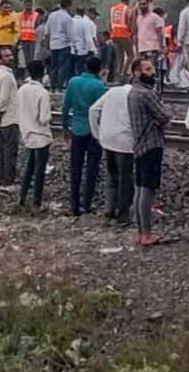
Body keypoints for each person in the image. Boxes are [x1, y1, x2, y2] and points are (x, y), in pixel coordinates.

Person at [129, 57, 170, 246]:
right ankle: (147, 234)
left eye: (151, 68)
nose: (152, 72)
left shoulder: (132, 92)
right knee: (148, 190)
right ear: (137, 72)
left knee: (139, 188)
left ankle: (140, 232)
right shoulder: (146, 94)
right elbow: (163, 115)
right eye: (147, 69)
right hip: (151, 145)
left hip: (139, 145)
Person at [62, 55, 107, 216]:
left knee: (76, 167)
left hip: (77, 128)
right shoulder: (99, 86)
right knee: (92, 168)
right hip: (94, 131)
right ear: (99, 69)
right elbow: (102, 111)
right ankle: (87, 203)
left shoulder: (73, 82)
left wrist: (65, 126)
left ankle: (74, 203)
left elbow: (65, 106)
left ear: (85, 67)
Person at [90, 68, 135, 226]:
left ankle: (109, 210)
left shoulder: (112, 92)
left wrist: (97, 133)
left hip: (107, 139)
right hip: (124, 142)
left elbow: (93, 110)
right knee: (125, 177)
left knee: (112, 176)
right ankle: (123, 215)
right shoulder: (134, 95)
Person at [18, 60, 53, 210]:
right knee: (39, 170)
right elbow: (44, 118)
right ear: (43, 72)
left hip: (27, 133)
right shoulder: (43, 93)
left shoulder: (22, 90)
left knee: (29, 168)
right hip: (41, 136)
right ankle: (36, 201)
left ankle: (23, 196)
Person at [0, 47, 20, 187]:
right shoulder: (7, 76)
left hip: (2, 118)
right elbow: (4, 99)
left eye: (11, 55)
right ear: (0, 59)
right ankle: (8, 182)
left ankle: (2, 179)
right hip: (9, 118)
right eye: (7, 56)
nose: (11, 58)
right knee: (10, 151)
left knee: (2, 151)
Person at [133, 0, 165, 80]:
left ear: (148, 4)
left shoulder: (154, 17)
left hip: (152, 47)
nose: (142, 6)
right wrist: (137, 49)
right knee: (143, 70)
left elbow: (160, 33)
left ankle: (154, 87)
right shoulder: (138, 18)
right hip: (142, 48)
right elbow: (136, 33)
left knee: (152, 68)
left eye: (144, 4)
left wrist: (161, 48)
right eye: (140, 4)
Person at [46, 0, 74, 90]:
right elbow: (70, 34)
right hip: (64, 44)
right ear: (69, 6)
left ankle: (52, 86)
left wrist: (47, 42)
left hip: (53, 44)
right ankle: (59, 87)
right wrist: (73, 44)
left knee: (54, 66)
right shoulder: (67, 17)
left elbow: (47, 31)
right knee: (63, 66)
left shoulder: (52, 15)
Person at [0, 0, 21, 74]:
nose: (7, 9)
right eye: (5, 7)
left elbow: (17, 29)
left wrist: (12, 27)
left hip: (9, 43)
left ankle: (12, 78)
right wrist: (2, 25)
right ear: (0, 7)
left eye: (8, 8)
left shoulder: (13, 16)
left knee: (11, 63)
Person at [109, 0, 133, 83]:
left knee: (120, 55)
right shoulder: (126, 8)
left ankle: (118, 74)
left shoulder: (113, 8)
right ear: (127, 0)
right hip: (123, 33)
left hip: (114, 33)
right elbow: (129, 21)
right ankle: (123, 73)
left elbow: (110, 22)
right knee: (131, 54)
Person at [70, 7, 98, 76]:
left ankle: (70, 83)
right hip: (82, 50)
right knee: (81, 69)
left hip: (70, 49)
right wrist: (94, 50)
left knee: (71, 69)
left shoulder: (70, 21)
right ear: (83, 13)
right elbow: (89, 39)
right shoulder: (85, 23)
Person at [19, 1, 39, 68]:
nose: (28, 6)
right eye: (27, 5)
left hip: (32, 39)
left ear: (32, 5)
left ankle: (30, 73)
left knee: (32, 58)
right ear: (24, 5)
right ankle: (27, 73)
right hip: (23, 39)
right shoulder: (20, 15)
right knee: (25, 58)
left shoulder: (36, 14)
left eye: (30, 5)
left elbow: (37, 25)